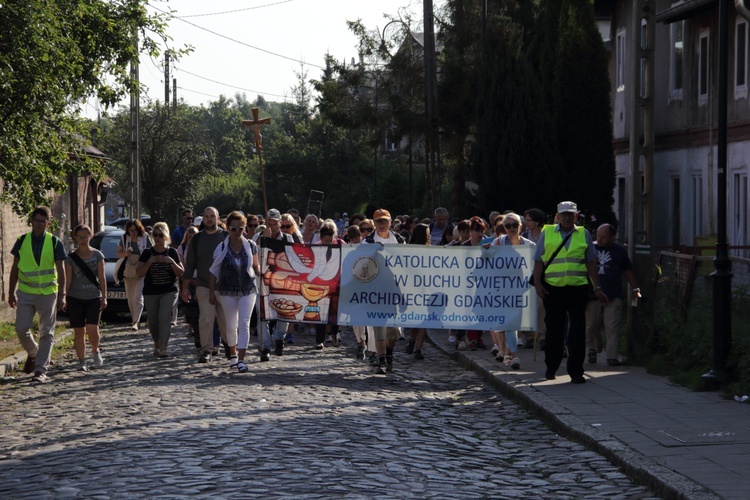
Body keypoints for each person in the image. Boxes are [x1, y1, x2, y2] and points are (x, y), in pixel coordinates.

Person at [533, 201, 607, 384]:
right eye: (564, 214)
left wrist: (597, 287)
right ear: (557, 216)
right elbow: (539, 261)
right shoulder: (547, 232)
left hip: (577, 289)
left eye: (570, 214)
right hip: (553, 289)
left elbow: (591, 263)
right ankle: (551, 367)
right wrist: (538, 284)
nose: (567, 217)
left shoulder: (584, 234)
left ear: (576, 216)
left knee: (577, 332)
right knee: (554, 332)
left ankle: (576, 372)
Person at [7, 206, 67, 383]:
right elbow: (14, 269)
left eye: (43, 221)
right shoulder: (21, 241)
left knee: (46, 332)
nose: (40, 224)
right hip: (25, 293)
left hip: (48, 293)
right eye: (37, 220)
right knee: (21, 328)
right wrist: (10, 293)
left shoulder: (55, 242)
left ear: (48, 223)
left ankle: (41, 370)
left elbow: (61, 269)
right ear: (31, 221)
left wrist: (63, 294)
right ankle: (34, 354)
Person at [209, 211, 261, 371]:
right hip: (227, 290)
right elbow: (214, 270)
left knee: (244, 323)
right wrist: (212, 292)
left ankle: (242, 359)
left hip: (247, 289)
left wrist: (262, 273)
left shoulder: (251, 245)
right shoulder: (222, 247)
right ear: (227, 228)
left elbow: (256, 266)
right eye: (234, 229)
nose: (237, 232)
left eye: (241, 229)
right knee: (231, 325)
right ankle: (233, 354)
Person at [586, 223, 641, 366]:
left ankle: (612, 356)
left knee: (612, 326)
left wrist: (635, 289)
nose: (599, 239)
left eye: (603, 236)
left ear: (612, 237)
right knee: (591, 325)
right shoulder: (591, 248)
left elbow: (628, 270)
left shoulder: (619, 251)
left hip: (613, 293)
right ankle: (593, 348)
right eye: (598, 235)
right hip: (593, 295)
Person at [182, 207, 228, 363]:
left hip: (225, 286)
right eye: (206, 217)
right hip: (203, 284)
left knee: (225, 320)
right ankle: (206, 349)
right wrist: (185, 287)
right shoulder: (197, 239)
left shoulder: (227, 237)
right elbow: (190, 266)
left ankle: (229, 346)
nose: (209, 219)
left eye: (212, 216)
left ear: (218, 218)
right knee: (206, 318)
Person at [363, 208, 406, 374]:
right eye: (378, 221)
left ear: (390, 222)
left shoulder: (399, 240)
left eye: (385, 221)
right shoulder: (367, 242)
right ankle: (381, 361)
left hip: (395, 291)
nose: (382, 224)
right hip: (375, 290)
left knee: (394, 332)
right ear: (374, 223)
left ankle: (389, 353)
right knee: (378, 328)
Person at [490, 213, 535, 369]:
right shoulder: (498, 243)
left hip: (521, 290)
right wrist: (484, 251)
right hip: (502, 290)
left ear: (520, 226)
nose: (511, 228)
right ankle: (512, 355)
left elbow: (536, 267)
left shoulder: (529, 245)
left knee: (514, 323)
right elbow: (486, 261)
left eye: (514, 225)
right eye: (507, 225)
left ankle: (508, 353)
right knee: (508, 323)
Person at [137, 222, 184, 358]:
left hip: (169, 290)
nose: (157, 238)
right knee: (153, 320)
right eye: (155, 235)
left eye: (160, 235)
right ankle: (157, 342)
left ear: (165, 236)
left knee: (164, 317)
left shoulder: (172, 252)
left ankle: (163, 347)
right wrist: (150, 262)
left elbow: (180, 272)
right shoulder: (147, 253)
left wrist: (171, 261)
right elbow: (139, 272)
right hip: (151, 291)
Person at [64, 225, 107, 371]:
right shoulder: (71, 258)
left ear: (90, 236)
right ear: (75, 238)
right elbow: (68, 279)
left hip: (94, 296)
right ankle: (82, 361)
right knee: (78, 331)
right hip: (75, 297)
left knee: (92, 328)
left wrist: (104, 297)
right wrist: (64, 296)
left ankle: (95, 350)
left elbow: (101, 278)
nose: (82, 240)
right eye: (79, 237)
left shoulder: (98, 255)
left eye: (85, 236)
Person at [117, 219, 152, 330]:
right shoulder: (124, 238)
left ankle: (136, 321)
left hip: (141, 269)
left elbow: (151, 251)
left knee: (138, 296)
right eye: (131, 230)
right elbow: (118, 253)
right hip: (129, 270)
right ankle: (134, 319)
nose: (133, 233)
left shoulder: (145, 237)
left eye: (135, 230)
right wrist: (125, 254)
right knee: (131, 297)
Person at [313, 222, 343, 349]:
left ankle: (334, 334)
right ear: (321, 238)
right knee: (320, 313)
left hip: (338, 284)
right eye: (326, 240)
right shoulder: (316, 248)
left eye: (331, 240)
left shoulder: (341, 244)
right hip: (321, 284)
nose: (329, 243)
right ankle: (320, 340)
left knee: (336, 312)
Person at [405, 223, 430, 360]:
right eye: (428, 233)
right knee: (415, 320)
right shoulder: (410, 250)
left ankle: (418, 349)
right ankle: (413, 339)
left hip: (426, 290)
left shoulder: (431, 251)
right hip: (414, 290)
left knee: (423, 322)